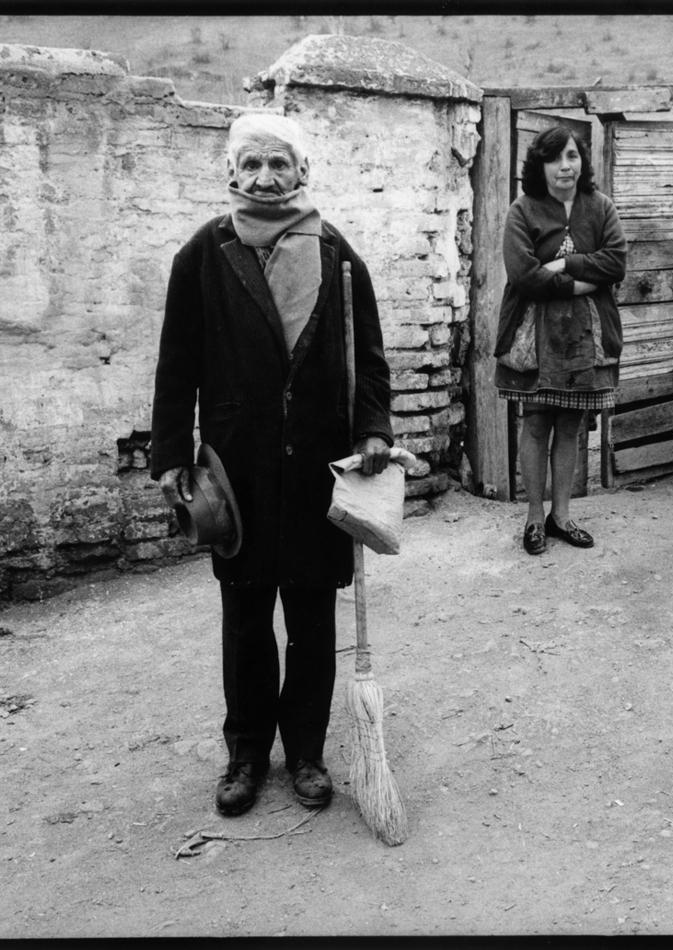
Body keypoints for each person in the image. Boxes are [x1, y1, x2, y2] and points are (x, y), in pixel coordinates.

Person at [150, 113, 393, 817]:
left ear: (302, 172)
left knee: (313, 616)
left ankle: (308, 753)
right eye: (250, 164)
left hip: (321, 462)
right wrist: (171, 453)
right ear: (231, 172)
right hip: (240, 467)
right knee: (248, 616)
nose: (263, 178)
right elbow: (177, 362)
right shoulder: (204, 253)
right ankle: (247, 753)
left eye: (277, 165)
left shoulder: (337, 253)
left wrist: (373, 429)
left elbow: (369, 359)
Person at [494, 127, 627, 555]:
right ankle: (535, 517)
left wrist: (566, 262)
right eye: (554, 158)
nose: (565, 166)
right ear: (540, 166)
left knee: (569, 426)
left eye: (572, 156)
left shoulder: (600, 207)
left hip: (587, 335)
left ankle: (562, 516)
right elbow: (524, 274)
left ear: (582, 161)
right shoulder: (522, 210)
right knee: (535, 423)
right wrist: (581, 284)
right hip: (534, 335)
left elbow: (616, 262)